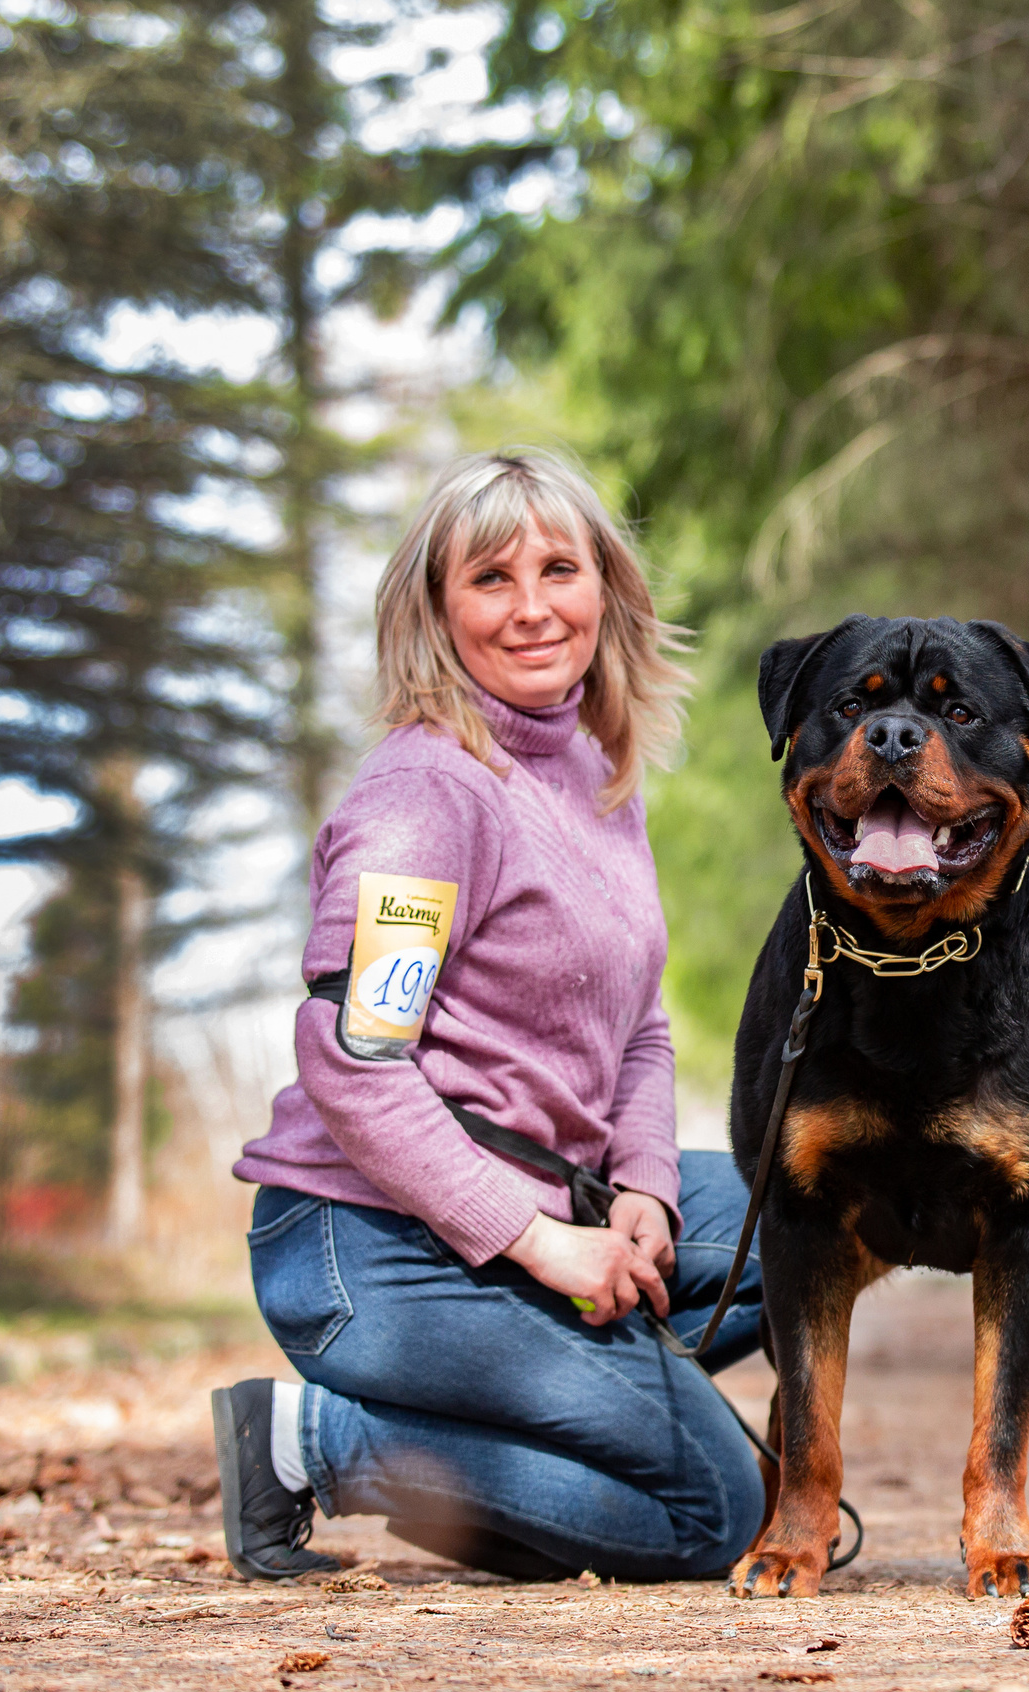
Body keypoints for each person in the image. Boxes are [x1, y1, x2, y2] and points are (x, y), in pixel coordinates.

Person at [210, 448, 767, 1584]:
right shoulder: (425, 796)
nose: (531, 611)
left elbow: (641, 1029)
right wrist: (544, 1242)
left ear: (605, 587)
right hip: (365, 1245)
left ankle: (560, 1440)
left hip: (544, 1195)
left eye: (558, 569)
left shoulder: (596, 771)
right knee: (715, 1513)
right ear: (436, 609)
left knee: (804, 1221)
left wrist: (649, 1189)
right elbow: (357, 1058)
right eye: (489, 580)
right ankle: (319, 1443)